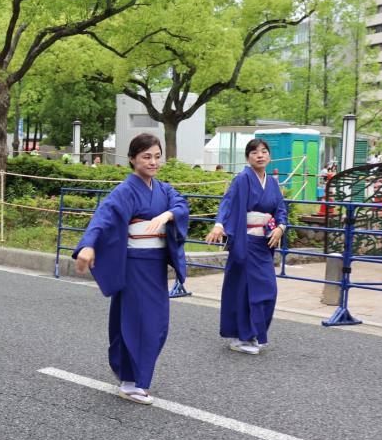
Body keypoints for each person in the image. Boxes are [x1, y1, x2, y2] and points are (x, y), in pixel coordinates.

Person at [73, 133, 189, 405]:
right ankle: (133, 382)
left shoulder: (163, 189)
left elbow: (181, 204)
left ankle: (131, 377)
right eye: (147, 156)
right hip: (135, 266)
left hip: (156, 265)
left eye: (157, 156)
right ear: (132, 159)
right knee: (139, 323)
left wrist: (167, 215)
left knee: (156, 324)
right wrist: (89, 246)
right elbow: (103, 217)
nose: (153, 162)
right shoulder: (125, 190)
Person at [205, 139, 287, 355]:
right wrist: (219, 225)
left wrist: (281, 227)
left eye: (264, 151)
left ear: (269, 156)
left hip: (263, 243)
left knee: (267, 290)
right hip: (245, 241)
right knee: (246, 291)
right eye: (254, 152)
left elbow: (280, 208)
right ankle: (244, 337)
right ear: (248, 157)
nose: (259, 155)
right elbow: (228, 202)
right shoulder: (242, 179)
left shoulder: (273, 183)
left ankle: (252, 334)